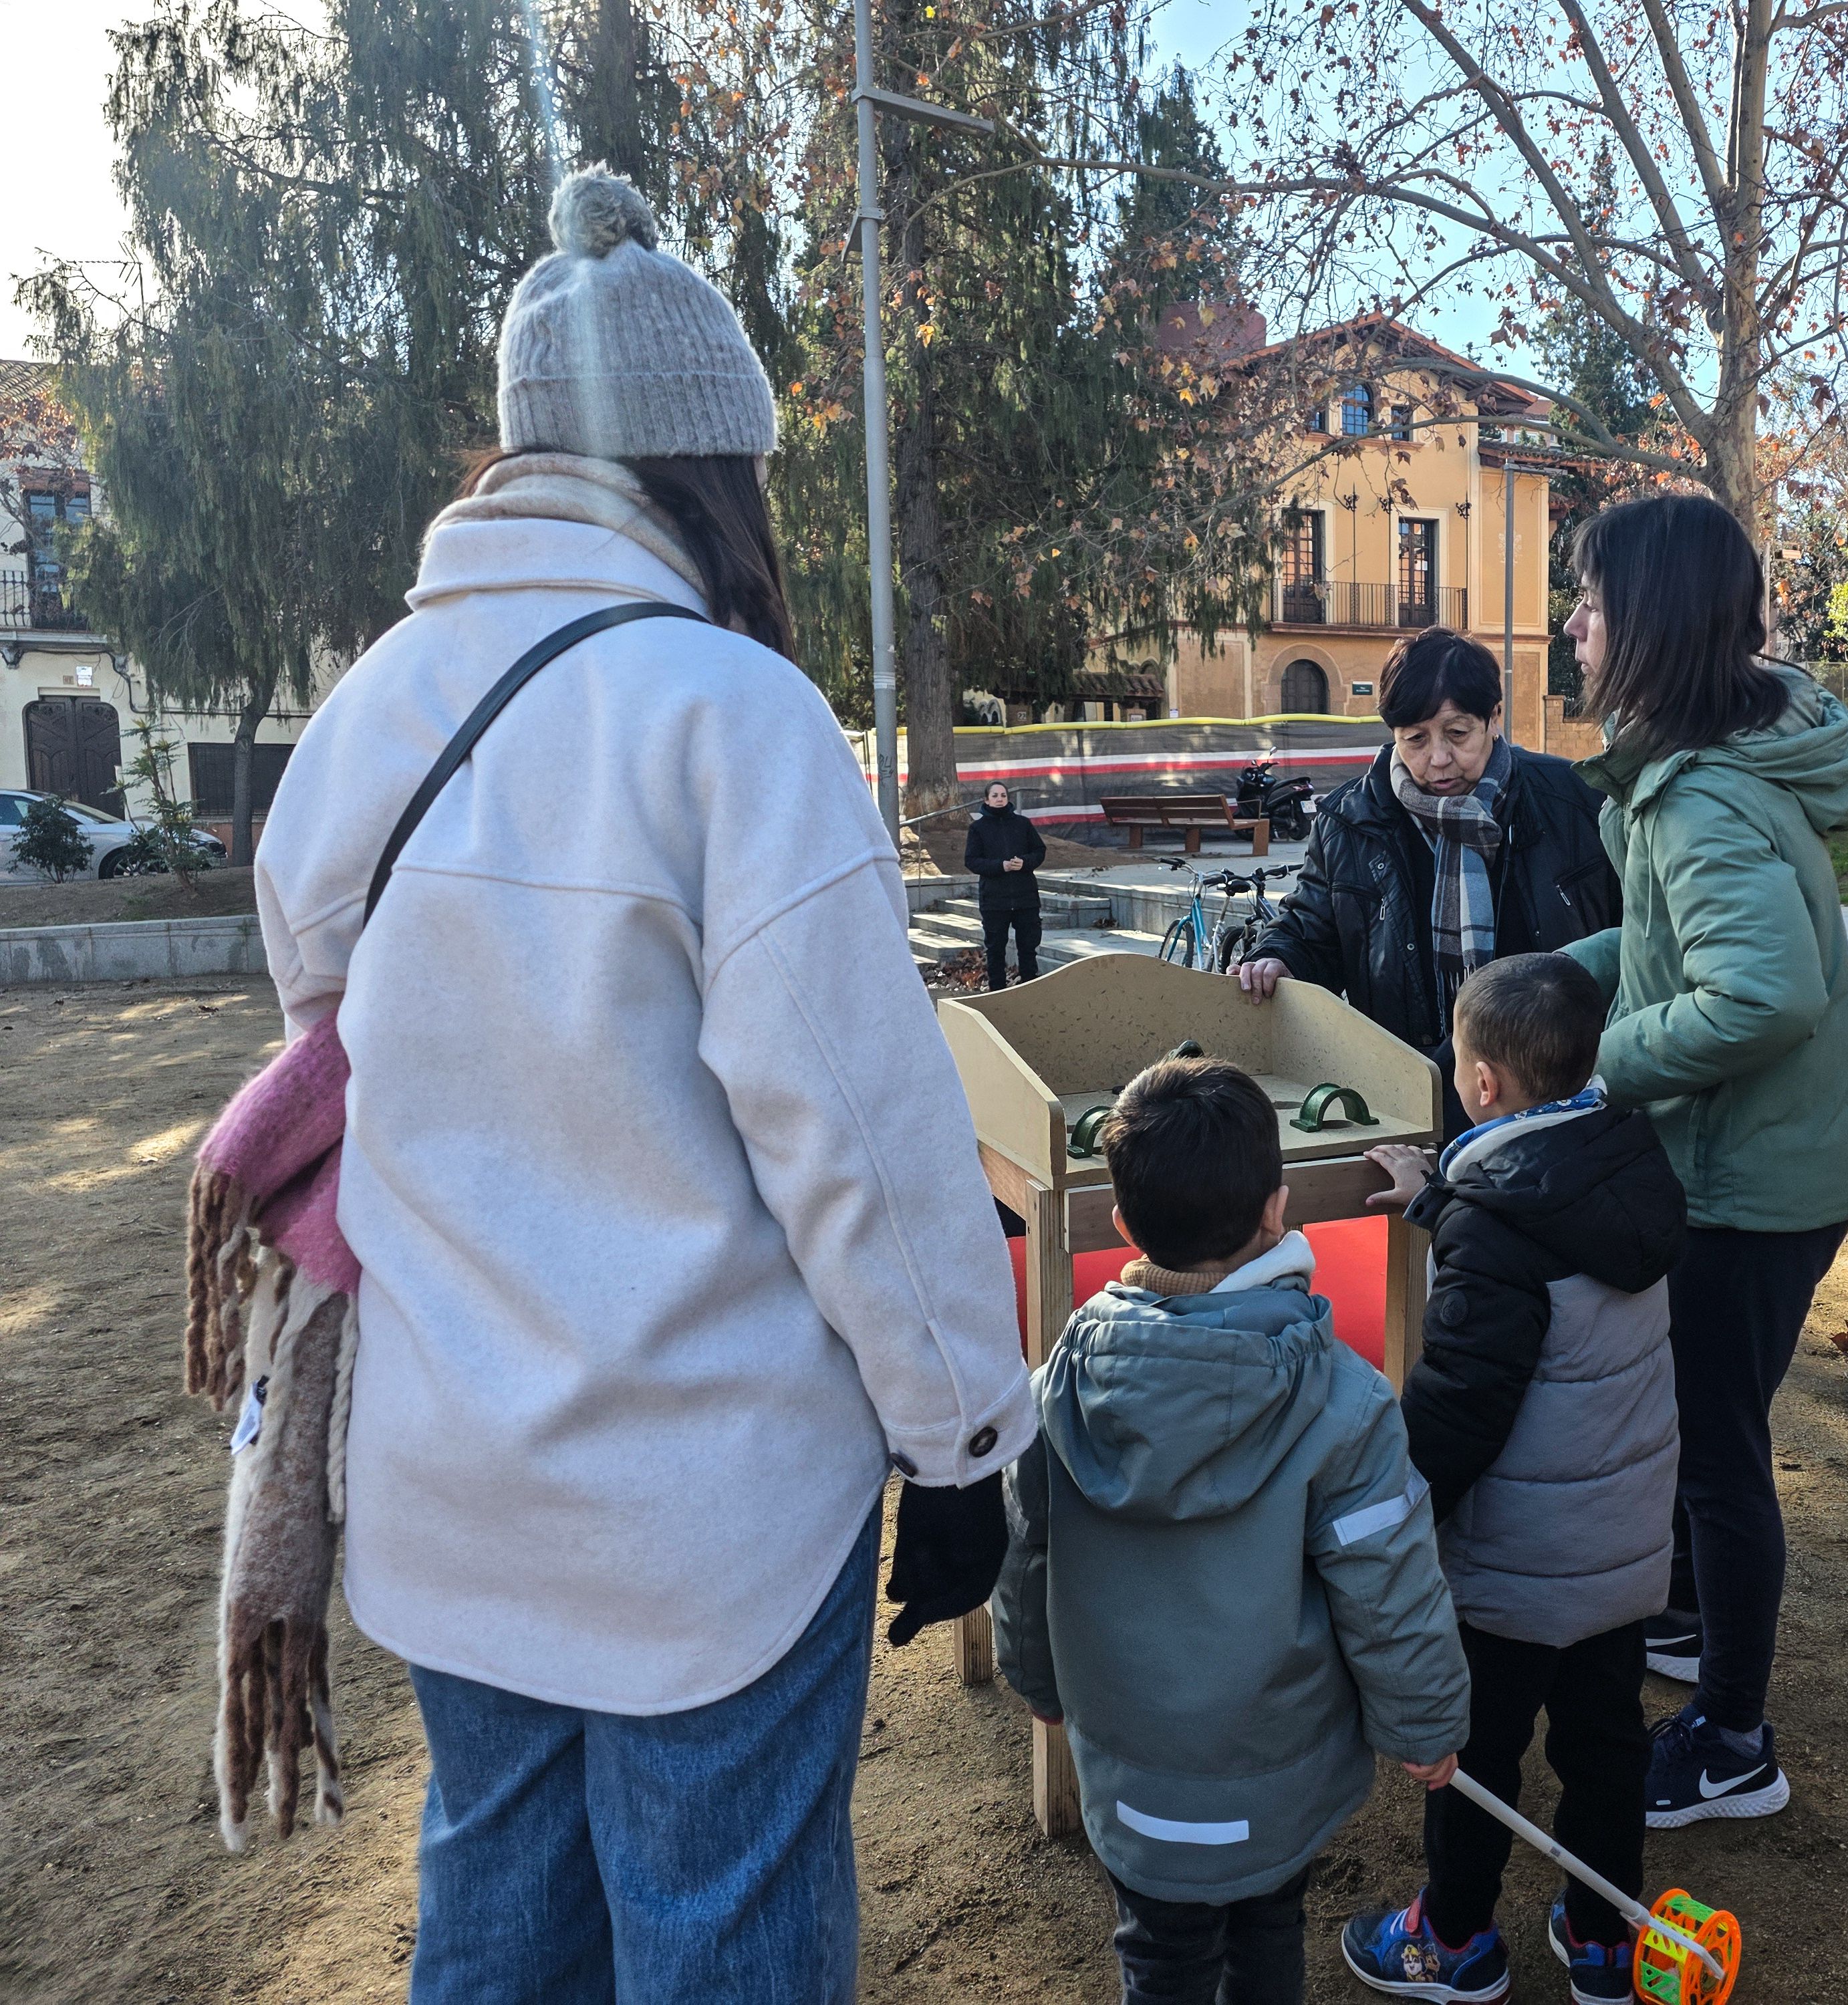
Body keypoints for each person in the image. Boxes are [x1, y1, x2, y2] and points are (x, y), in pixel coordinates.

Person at [252, 168, 1035, 2002]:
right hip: (711, 1515)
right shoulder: (734, 718)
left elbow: (333, 1071)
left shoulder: (369, 715)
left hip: (450, 1481)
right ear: (715, 466)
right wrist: (962, 1445)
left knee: (500, 1921)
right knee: (724, 1935)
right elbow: (863, 1143)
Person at [1555, 492, 1848, 1833]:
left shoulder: (1696, 803)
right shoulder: (1694, 766)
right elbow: (1670, 949)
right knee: (1711, 1427)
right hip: (1783, 1150)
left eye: (1588, 601)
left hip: (1756, 1176)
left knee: (1714, 1447)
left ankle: (1732, 1738)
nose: (1571, 627)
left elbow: (1759, 997)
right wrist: (1552, 981)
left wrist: (1603, 1067)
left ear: (1642, 625)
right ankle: (1691, 1615)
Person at [993, 1057, 1471, 2005]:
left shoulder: (1054, 1393)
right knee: (1267, 1933)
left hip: (1132, 1765)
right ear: (1277, 1209)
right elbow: (1389, 1581)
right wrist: (1425, 1723)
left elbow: (1024, 1551)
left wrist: (1035, 1678)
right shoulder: (1344, 1398)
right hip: (1275, 1767)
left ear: (1122, 1224)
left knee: (1160, 1956)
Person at [1341, 954, 1687, 2005]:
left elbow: (1461, 1405)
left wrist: (1393, 1510)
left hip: (1513, 1568)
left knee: (1475, 1754)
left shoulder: (1495, 1229)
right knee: (1604, 1739)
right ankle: (1605, 1939)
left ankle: (1451, 1941)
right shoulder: (1627, 1157)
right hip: (1620, 1548)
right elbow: (1542, 1214)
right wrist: (1441, 1196)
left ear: (1481, 1083)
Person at [1238, 628, 1617, 1129]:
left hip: (1557, 1095)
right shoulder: (1351, 822)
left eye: (1457, 734)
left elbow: (1630, 933)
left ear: (1494, 720)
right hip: (1411, 1092)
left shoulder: (1575, 802)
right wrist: (1278, 957)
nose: (1438, 759)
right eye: (1415, 739)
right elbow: (1312, 932)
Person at [965, 778, 1048, 989]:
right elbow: (972, 861)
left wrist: (1025, 863)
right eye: (995, 796)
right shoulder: (978, 828)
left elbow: (1039, 851)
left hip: (1025, 898)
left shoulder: (1023, 824)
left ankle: (1029, 989)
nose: (1000, 799)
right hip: (995, 900)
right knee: (995, 950)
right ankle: (997, 993)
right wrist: (1000, 866)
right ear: (987, 799)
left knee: (1028, 948)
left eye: (1003, 795)